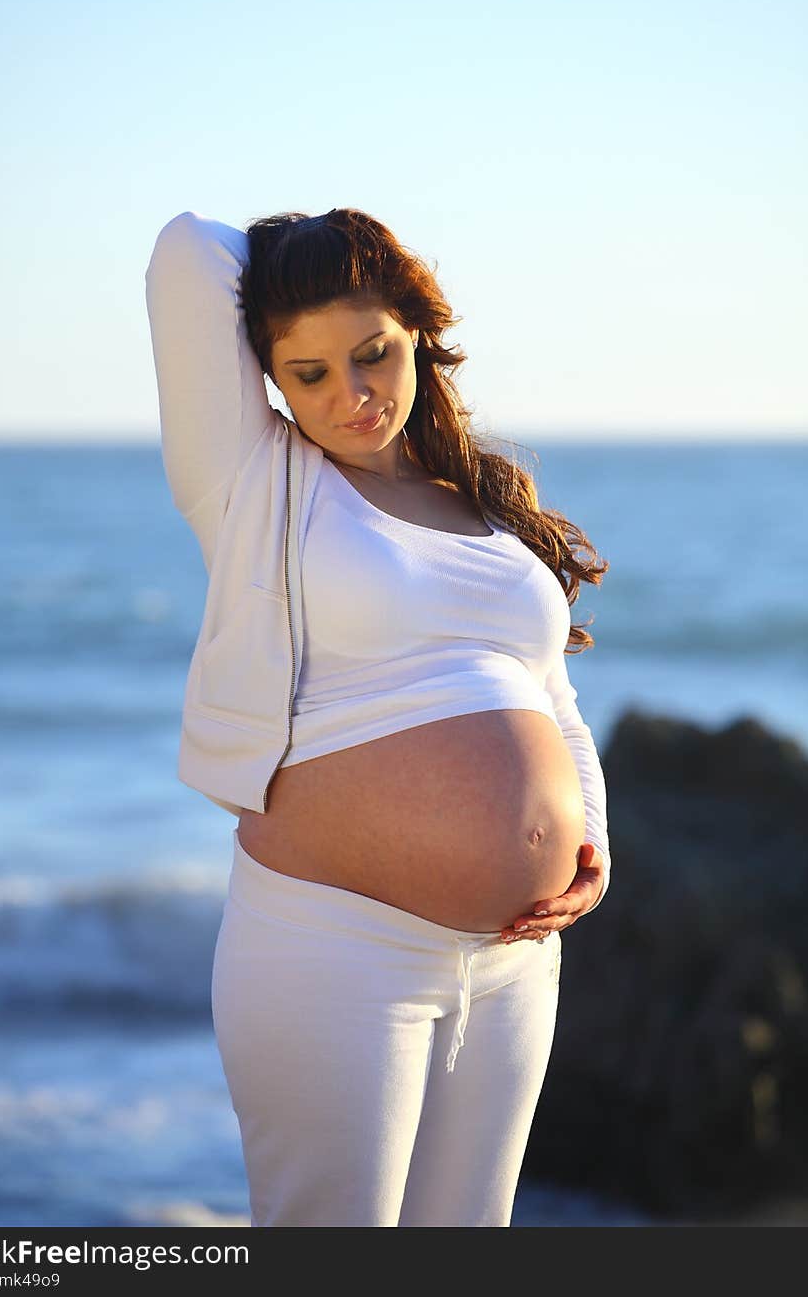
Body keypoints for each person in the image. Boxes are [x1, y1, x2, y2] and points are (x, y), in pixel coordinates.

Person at [144, 206, 611, 1228]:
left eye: (372, 353)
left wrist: (591, 844)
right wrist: (300, 248)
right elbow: (188, 249)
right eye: (306, 373)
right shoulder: (255, 484)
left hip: (513, 960)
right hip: (333, 948)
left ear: (416, 331)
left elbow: (546, 691)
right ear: (267, 376)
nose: (349, 396)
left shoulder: (485, 504)